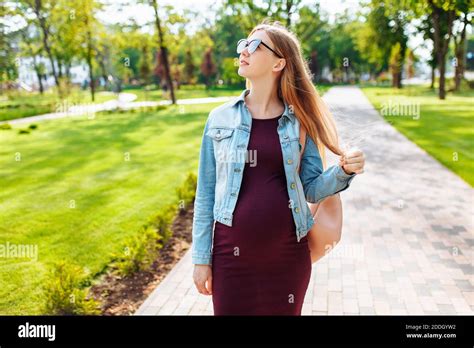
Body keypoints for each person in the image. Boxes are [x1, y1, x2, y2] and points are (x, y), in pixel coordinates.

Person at [192, 20, 365, 315]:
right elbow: (206, 193)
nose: (244, 51)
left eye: (255, 45)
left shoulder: (299, 122)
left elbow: (311, 188)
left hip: (286, 256)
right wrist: (200, 259)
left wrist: (343, 171)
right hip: (230, 255)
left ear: (279, 63)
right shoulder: (219, 119)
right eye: (243, 44)